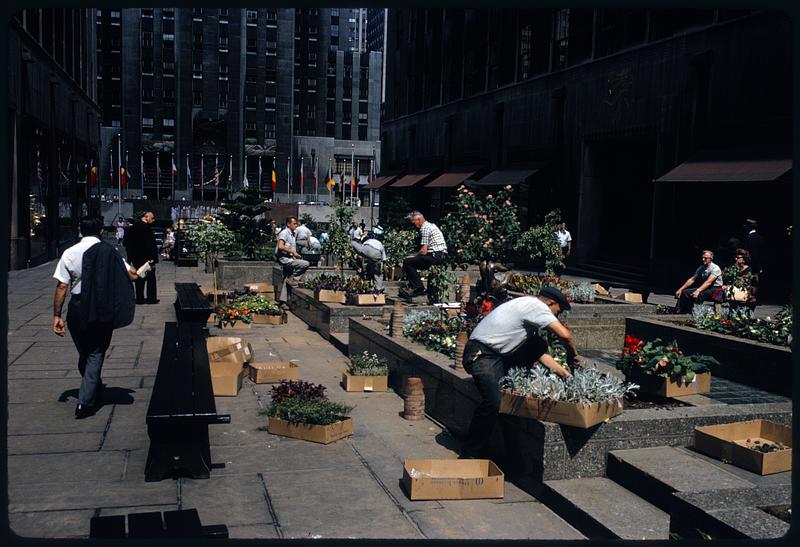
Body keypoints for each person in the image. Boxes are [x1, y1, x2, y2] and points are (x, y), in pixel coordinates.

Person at [460, 287, 581, 463]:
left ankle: (513, 459)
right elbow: (566, 336)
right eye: (557, 312)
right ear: (550, 303)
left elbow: (539, 353)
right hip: (481, 354)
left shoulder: (527, 307)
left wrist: (565, 375)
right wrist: (573, 354)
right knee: (494, 402)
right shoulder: (536, 306)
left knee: (535, 344)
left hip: (499, 355)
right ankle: (470, 452)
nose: (557, 317)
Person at [52, 216, 138, 419]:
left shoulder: (69, 253)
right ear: (101, 231)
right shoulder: (110, 251)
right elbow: (132, 275)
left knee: (85, 352)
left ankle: (92, 388)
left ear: (81, 230)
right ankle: (86, 403)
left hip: (77, 307)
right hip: (101, 307)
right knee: (95, 353)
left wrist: (56, 315)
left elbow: (62, 286)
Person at [399, 211, 448, 298]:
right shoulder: (431, 225)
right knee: (416, 261)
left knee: (407, 262)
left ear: (419, 219)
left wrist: (413, 256)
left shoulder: (424, 228)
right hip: (441, 254)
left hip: (435, 255)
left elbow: (423, 251)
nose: (414, 226)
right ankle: (421, 288)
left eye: (414, 223)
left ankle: (418, 287)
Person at [124, 211, 160, 304]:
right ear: (146, 217)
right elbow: (151, 245)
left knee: (139, 277)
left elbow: (126, 242)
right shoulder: (147, 228)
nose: (153, 220)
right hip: (148, 258)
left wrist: (131, 256)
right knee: (151, 278)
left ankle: (139, 298)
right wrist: (154, 258)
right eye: (152, 218)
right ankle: (151, 298)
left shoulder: (133, 227)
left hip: (136, 258)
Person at [275, 216, 310, 306]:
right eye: (294, 223)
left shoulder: (292, 233)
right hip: (285, 260)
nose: (296, 225)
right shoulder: (284, 233)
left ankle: (283, 302)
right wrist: (293, 252)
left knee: (287, 280)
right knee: (305, 264)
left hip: (289, 258)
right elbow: (281, 246)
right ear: (288, 224)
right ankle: (294, 279)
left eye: (296, 223)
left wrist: (294, 255)